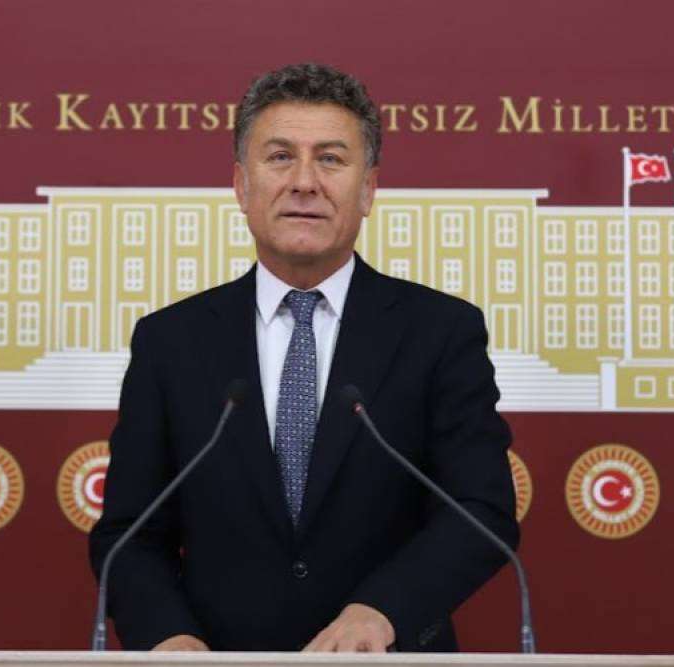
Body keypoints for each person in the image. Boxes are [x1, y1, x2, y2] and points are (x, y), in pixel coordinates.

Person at [89, 62, 518, 653]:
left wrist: (383, 612)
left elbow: (480, 509)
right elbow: (129, 531)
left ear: (367, 190)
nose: (305, 182)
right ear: (241, 186)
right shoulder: (170, 340)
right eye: (280, 157)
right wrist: (168, 636)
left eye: (332, 159)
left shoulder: (440, 332)